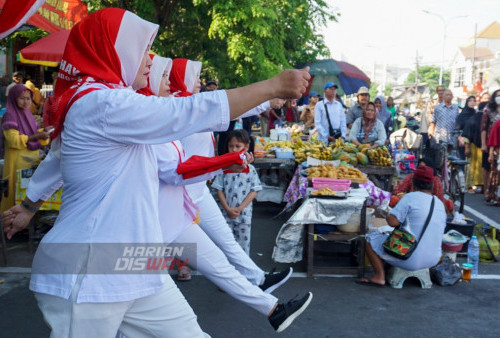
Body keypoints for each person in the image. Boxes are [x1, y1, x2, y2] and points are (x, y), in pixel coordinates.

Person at [3, 8, 311, 336]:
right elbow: (187, 112)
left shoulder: (103, 104)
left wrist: (28, 206)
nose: (151, 61)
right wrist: (271, 85)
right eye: (140, 48)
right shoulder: (101, 104)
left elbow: (171, 168)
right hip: (90, 269)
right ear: (114, 51)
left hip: (134, 262)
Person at [359, 165, 447, 286]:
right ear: (432, 185)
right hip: (434, 259)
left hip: (409, 258)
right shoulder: (439, 203)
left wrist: (387, 213)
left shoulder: (410, 197)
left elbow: (392, 222)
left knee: (369, 238)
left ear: (413, 182)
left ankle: (379, 276)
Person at [0, 84, 51, 213]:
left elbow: (30, 132)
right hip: (16, 162)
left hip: (29, 161)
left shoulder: (27, 114)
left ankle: (26, 225)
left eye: (28, 98)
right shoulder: (10, 115)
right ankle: (11, 223)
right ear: (13, 98)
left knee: (27, 194)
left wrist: (43, 131)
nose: (26, 102)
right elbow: (13, 140)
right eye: (22, 98)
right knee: (15, 193)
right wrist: (38, 135)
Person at [212, 129, 262, 255]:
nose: (234, 149)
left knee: (243, 248)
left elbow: (254, 191)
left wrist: (240, 208)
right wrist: (227, 209)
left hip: (244, 215)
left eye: (238, 146)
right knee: (225, 245)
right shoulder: (223, 168)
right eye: (231, 146)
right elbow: (219, 189)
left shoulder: (251, 169)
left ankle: (244, 273)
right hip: (225, 214)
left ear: (246, 147)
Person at [481, 89, 500, 201]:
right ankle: (487, 191)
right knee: (489, 168)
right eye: (497, 95)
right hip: (491, 142)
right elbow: (483, 128)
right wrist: (484, 144)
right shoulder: (488, 109)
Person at [462, 98, 484, 193]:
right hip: (472, 146)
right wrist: (467, 147)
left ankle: (483, 185)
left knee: (482, 167)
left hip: (483, 147)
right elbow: (466, 133)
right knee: (471, 166)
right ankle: (470, 186)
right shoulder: (473, 119)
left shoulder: (486, 119)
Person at [486, 119, 500, 205]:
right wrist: (491, 154)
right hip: (498, 151)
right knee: (496, 175)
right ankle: (496, 197)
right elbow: (493, 139)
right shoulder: (498, 123)